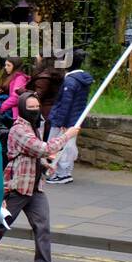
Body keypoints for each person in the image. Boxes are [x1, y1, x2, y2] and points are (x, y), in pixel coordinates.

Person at [0, 92, 80, 262]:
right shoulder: (19, 129)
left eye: (36, 107)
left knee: (43, 227)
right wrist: (67, 136)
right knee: (0, 225)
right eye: (30, 108)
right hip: (18, 186)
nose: (34, 110)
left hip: (35, 187)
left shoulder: (34, 127)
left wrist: (44, 163)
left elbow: (35, 153)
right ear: (23, 109)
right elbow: (41, 148)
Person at [44, 52, 93, 186]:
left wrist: (61, 122)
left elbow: (65, 104)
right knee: (69, 146)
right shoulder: (82, 79)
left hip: (64, 121)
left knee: (57, 146)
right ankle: (66, 172)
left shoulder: (70, 81)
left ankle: (59, 174)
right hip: (74, 120)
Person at [0, 58, 29, 124]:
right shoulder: (7, 76)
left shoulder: (19, 78)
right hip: (7, 110)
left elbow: (16, 97)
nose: (5, 67)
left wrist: (1, 108)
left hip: (13, 113)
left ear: (15, 66)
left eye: (8, 65)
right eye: (5, 65)